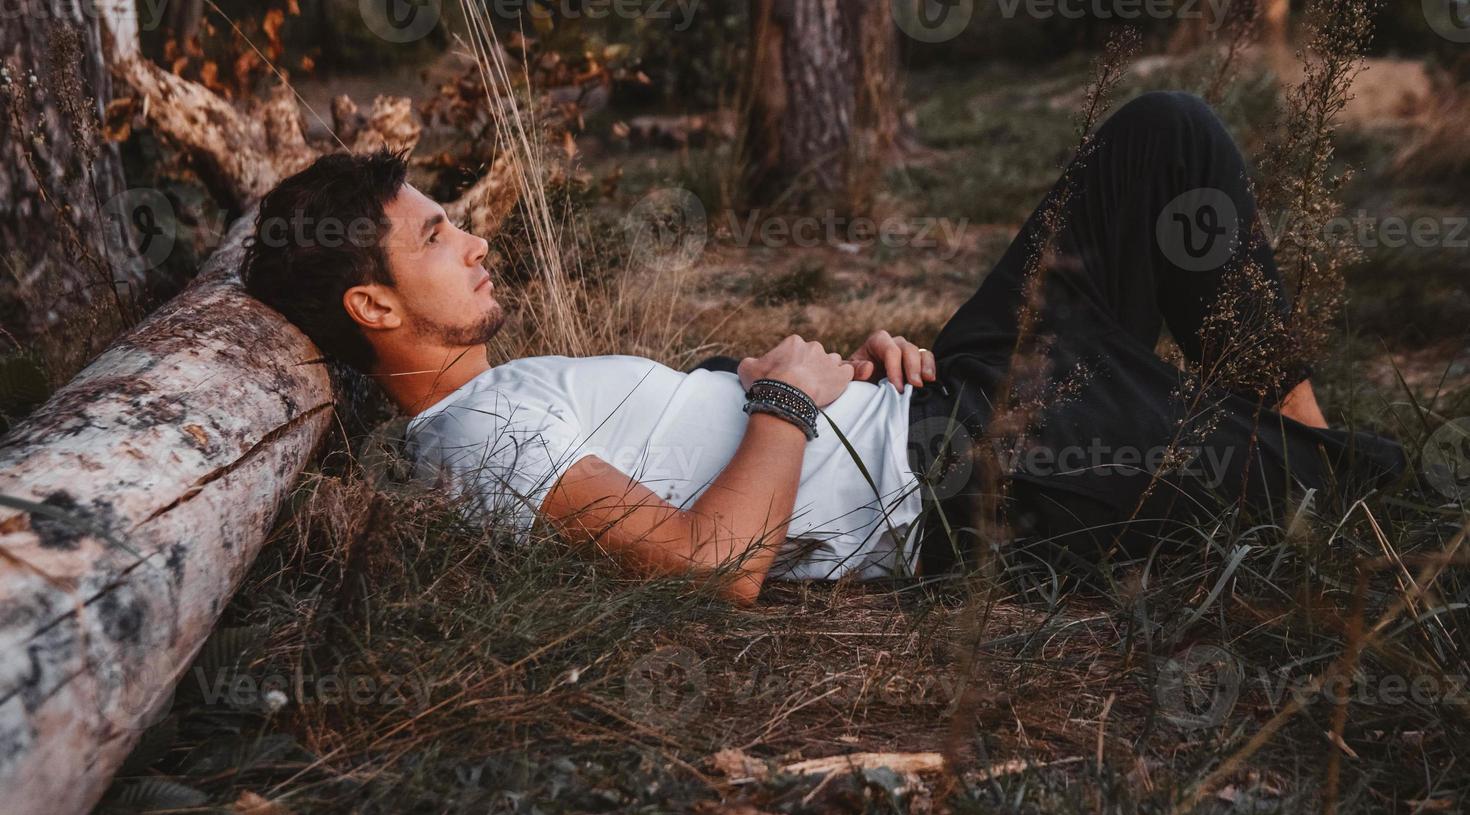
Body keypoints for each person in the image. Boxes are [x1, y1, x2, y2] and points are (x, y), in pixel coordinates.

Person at [240, 91, 1406, 606]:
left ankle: (1282, 453)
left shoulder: (498, 401)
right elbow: (709, 571)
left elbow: (695, 456)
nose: (477, 239)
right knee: (1397, 495)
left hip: (933, 395)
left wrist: (788, 377)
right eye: (438, 235)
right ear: (375, 309)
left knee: (1164, 136)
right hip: (959, 471)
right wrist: (795, 402)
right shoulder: (471, 437)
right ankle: (1305, 486)